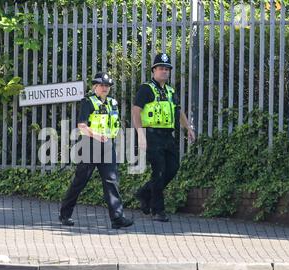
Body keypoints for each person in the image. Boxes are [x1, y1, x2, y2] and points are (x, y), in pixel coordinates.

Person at [59, 72, 134, 229]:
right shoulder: (88, 102)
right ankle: (65, 214)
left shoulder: (112, 103)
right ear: (95, 87)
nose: (105, 88)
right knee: (80, 181)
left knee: (111, 181)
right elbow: (82, 126)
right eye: (102, 85)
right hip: (90, 145)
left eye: (107, 85)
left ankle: (117, 218)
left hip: (107, 146)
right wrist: (96, 135)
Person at [132, 53, 196, 222]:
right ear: (153, 70)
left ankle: (145, 193)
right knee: (159, 171)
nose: (164, 71)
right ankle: (157, 210)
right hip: (152, 135)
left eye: (167, 69)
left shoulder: (170, 91)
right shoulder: (146, 89)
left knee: (173, 168)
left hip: (168, 136)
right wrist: (140, 134)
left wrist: (188, 127)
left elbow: (178, 111)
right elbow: (136, 111)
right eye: (161, 68)